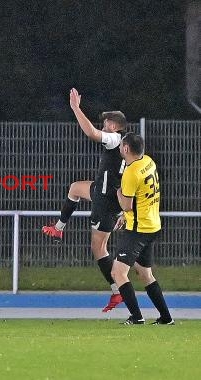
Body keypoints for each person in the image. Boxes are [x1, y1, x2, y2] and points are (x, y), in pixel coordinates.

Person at [42, 88, 127, 312]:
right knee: (75, 188)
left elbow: (90, 132)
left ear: (115, 127)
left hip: (105, 202)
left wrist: (75, 108)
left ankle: (118, 291)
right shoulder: (123, 146)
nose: (104, 125)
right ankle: (59, 228)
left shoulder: (114, 139)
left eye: (107, 122)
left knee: (99, 249)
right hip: (102, 192)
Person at [111, 133, 174, 325]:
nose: (120, 148)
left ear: (127, 149)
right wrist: (126, 215)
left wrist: (118, 192)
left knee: (118, 273)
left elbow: (127, 205)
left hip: (138, 230)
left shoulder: (131, 172)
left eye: (122, 145)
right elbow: (141, 199)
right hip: (152, 225)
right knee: (145, 273)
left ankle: (137, 317)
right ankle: (166, 318)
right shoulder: (148, 161)